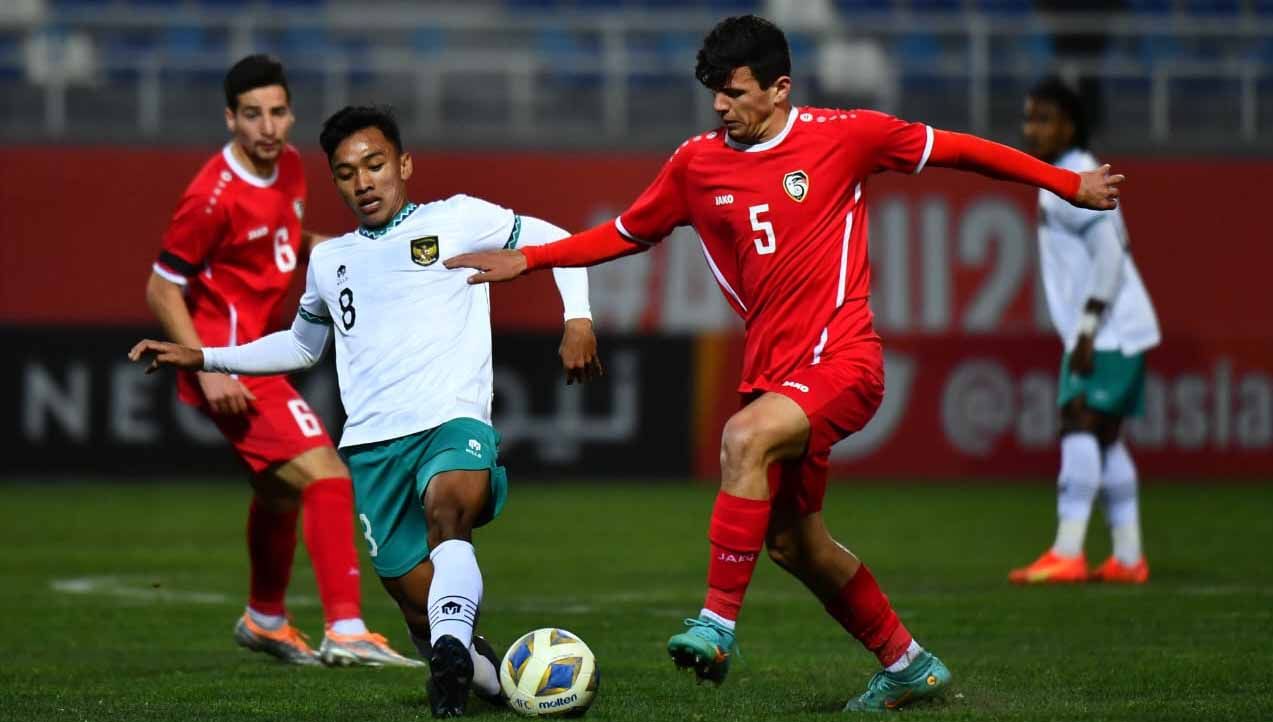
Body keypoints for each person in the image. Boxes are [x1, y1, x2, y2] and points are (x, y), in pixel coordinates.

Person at [445, 15, 1125, 712]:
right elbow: (624, 232)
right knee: (797, 546)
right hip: (773, 373)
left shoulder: (846, 135)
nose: (719, 105)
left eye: (733, 92)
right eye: (713, 91)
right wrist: (531, 258)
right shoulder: (695, 164)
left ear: (778, 89)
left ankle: (714, 624)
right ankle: (908, 664)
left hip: (845, 359)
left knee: (743, 437)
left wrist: (1064, 185)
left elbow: (958, 151)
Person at [132, 105, 601, 718]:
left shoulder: (457, 218)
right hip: (374, 450)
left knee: (448, 514)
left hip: (451, 423)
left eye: (375, 165)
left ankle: (455, 655)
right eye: (348, 173)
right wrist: (206, 356)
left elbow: (556, 238)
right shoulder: (330, 260)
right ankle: (482, 679)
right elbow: (302, 345)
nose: (364, 182)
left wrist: (578, 317)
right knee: (423, 618)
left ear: (403, 165)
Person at [145, 55, 414, 667]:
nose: (267, 127)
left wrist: (350, 251)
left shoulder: (292, 166)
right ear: (230, 119)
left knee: (278, 493)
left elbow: (288, 243)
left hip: (262, 360)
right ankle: (345, 628)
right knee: (326, 477)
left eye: (277, 112)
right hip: (231, 365)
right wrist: (209, 369)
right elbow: (161, 288)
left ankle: (266, 617)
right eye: (251, 115)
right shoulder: (210, 197)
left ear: (290, 113)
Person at [1010, 77, 1159, 585]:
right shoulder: (1063, 174)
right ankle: (1128, 555)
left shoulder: (1074, 175)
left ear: (1069, 124)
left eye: (1043, 118)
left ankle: (1068, 551)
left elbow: (1111, 256)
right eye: (1029, 117)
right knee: (1107, 440)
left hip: (1107, 330)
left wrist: (1090, 328)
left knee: (1076, 424)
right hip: (1117, 328)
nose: (1032, 128)